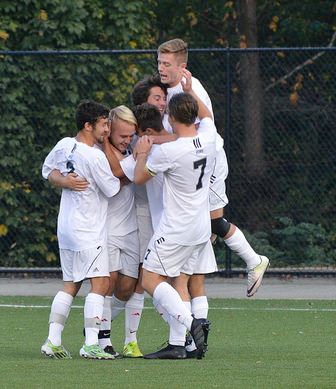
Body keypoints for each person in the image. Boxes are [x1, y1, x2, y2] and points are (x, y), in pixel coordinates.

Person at [157, 38, 269, 297]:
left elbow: (198, 129)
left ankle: (254, 260)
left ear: (182, 66)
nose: (161, 68)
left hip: (209, 161)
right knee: (201, 228)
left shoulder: (190, 89)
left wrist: (154, 141)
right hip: (192, 162)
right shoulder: (168, 91)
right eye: (159, 62)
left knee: (214, 222)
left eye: (167, 64)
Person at [132, 90, 216, 360]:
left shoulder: (170, 151)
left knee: (150, 279)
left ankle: (192, 324)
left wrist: (143, 152)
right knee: (181, 282)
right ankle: (179, 345)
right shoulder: (210, 137)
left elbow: (139, 178)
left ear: (170, 116)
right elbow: (208, 116)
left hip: (176, 228)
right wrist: (189, 88)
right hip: (201, 228)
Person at [40, 100, 120, 360]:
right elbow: (113, 189)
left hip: (66, 227)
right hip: (88, 229)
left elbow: (47, 170)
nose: (107, 128)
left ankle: (53, 341)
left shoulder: (64, 144)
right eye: (104, 124)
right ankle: (91, 344)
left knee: (71, 284)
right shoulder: (94, 156)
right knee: (101, 283)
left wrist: (62, 180)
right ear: (88, 126)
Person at [97, 105, 143, 359]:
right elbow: (115, 175)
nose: (127, 140)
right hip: (106, 228)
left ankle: (93, 324)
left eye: (130, 135)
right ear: (109, 131)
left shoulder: (134, 151)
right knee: (108, 282)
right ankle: (103, 339)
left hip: (130, 228)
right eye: (122, 136)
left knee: (127, 288)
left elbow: (120, 173)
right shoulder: (97, 151)